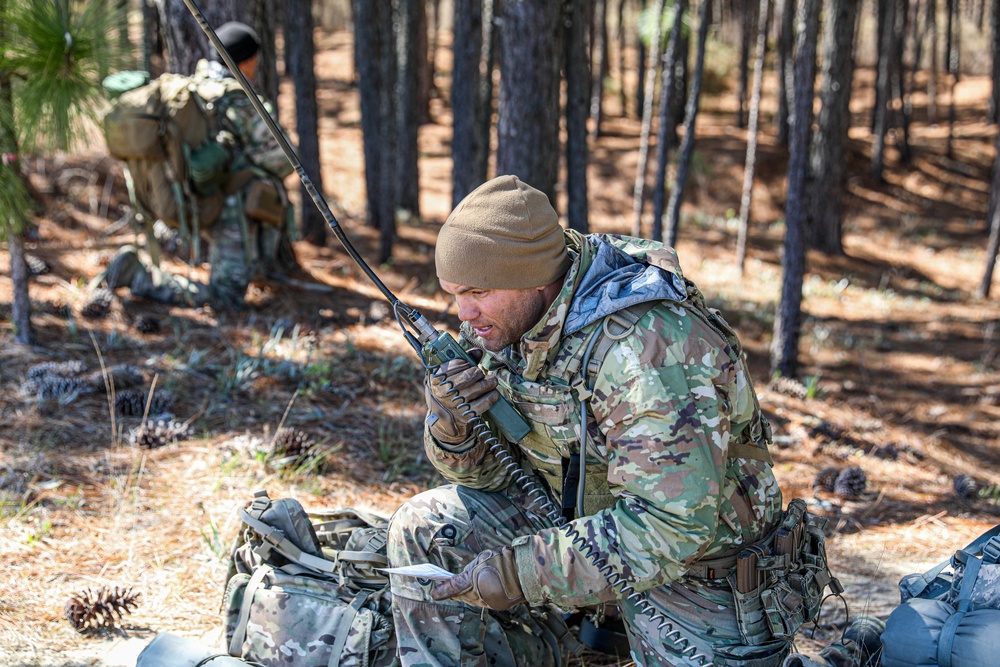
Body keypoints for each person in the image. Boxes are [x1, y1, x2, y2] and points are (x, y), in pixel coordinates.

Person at [386, 175, 806, 667]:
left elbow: (674, 527)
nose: (465, 313)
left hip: (696, 569)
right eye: (455, 293)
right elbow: (495, 477)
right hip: (582, 531)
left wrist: (522, 571)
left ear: (536, 277)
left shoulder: (647, 347)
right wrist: (453, 425)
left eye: (478, 291)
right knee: (428, 528)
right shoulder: (514, 321)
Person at [93, 21, 295, 312]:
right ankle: (141, 278)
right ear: (248, 62)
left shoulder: (192, 87)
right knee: (226, 299)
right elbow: (283, 159)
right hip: (229, 209)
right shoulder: (241, 100)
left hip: (187, 197)